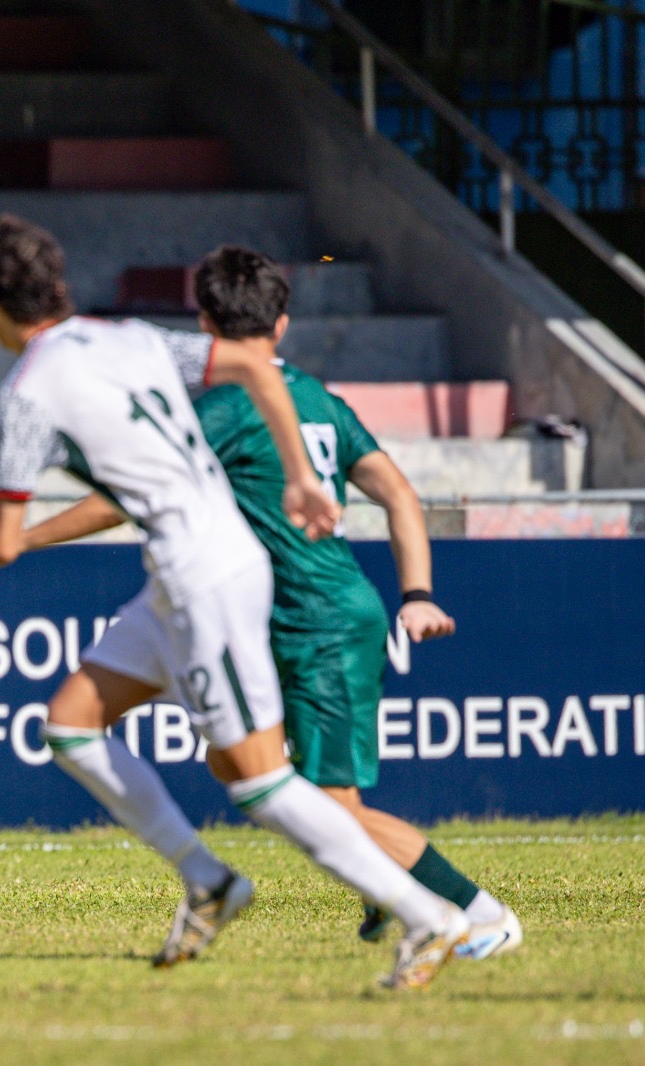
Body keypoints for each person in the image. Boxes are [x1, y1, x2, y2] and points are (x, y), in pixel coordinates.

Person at [0, 214, 470, 989]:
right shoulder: (129, 338)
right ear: (60, 283)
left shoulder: (27, 392)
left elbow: (2, 544)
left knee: (260, 782)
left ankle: (431, 916)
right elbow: (257, 367)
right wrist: (300, 475)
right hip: (186, 570)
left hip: (203, 578)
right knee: (72, 722)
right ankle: (209, 881)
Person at [187, 246, 520, 959]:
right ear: (281, 324)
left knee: (330, 807)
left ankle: (480, 911)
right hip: (278, 623)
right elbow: (399, 492)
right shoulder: (316, 398)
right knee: (236, 764)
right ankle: (381, 884)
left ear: (204, 322)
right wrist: (417, 594)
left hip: (322, 621)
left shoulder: (221, 407)